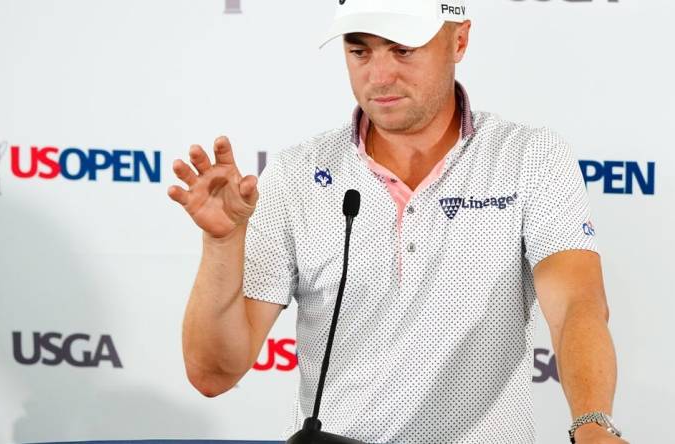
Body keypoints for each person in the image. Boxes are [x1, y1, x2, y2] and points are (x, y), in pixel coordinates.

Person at [168, 1, 627, 443]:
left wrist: (591, 422)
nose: (379, 76)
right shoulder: (295, 174)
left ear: (459, 39)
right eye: (360, 50)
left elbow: (576, 307)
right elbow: (213, 373)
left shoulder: (529, 157)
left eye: (403, 49)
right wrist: (222, 243)